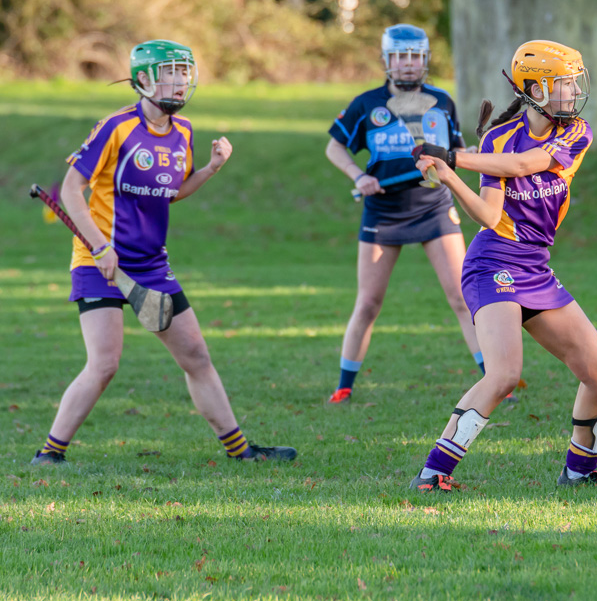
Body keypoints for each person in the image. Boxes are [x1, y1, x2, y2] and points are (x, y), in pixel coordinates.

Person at [31, 40, 296, 465]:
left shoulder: (183, 132)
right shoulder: (115, 127)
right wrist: (99, 246)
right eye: (169, 72)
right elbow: (69, 190)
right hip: (99, 262)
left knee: (197, 356)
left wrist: (209, 170)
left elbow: (170, 193)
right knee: (104, 363)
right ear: (143, 79)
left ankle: (241, 451)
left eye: (183, 72)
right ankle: (49, 454)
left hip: (152, 265)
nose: (179, 81)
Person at [408, 39, 597, 490]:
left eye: (573, 83)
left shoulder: (576, 132)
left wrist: (452, 158)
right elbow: (488, 216)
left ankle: (579, 474)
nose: (572, 92)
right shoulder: (498, 139)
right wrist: (450, 179)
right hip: (493, 263)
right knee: (504, 374)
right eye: (562, 85)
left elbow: (525, 164)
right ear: (534, 89)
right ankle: (432, 474)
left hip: (535, 267)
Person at [325, 24, 498, 404]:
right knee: (368, 302)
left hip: (434, 207)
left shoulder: (442, 101)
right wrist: (358, 175)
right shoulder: (367, 104)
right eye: (400, 57)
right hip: (383, 211)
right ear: (388, 61)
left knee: (460, 295)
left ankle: (494, 379)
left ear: (424, 61)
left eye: (414, 57)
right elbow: (334, 148)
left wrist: (474, 153)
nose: (407, 65)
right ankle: (344, 385)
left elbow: (456, 150)